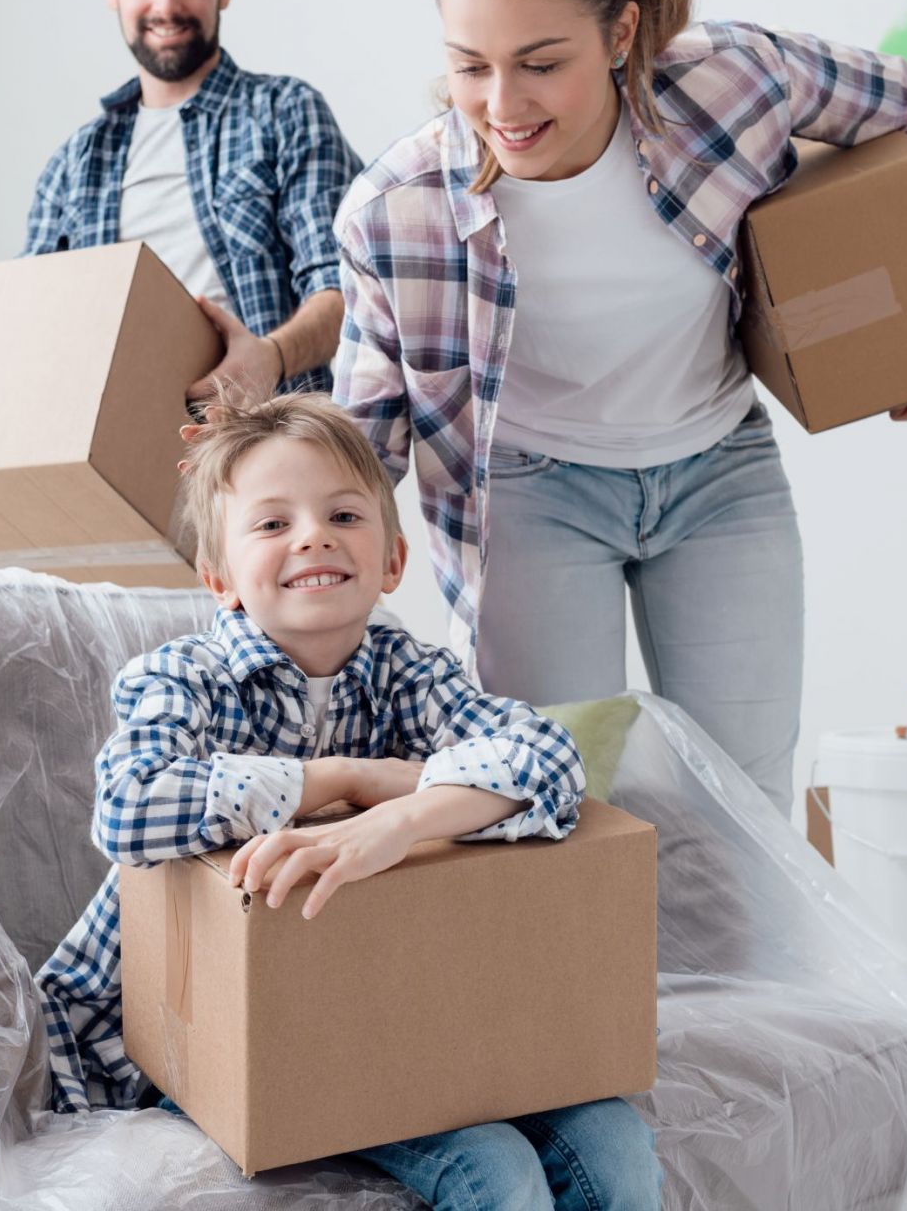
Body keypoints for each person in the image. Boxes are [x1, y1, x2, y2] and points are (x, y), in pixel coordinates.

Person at [334, 0, 907, 815]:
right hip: (530, 499)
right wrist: (259, 512)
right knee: (559, 804)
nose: (504, 107)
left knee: (747, 812)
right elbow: (362, 448)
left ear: (621, 32)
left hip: (717, 473)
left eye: (541, 63)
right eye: (469, 66)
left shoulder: (731, 84)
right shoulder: (395, 212)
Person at [34, 392, 660, 1210]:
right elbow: (125, 806)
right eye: (271, 524)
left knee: (615, 1140)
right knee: (493, 1171)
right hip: (214, 1029)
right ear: (218, 577)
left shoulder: (409, 669)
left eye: (342, 514)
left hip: (394, 1004)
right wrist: (343, 781)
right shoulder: (181, 677)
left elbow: (548, 757)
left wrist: (397, 818)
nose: (312, 536)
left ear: (393, 560)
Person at [23, 0, 361, 403]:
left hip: (265, 445)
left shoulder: (285, 112)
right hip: (120, 448)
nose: (166, 5)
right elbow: (31, 327)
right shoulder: (73, 165)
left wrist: (268, 359)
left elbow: (347, 290)